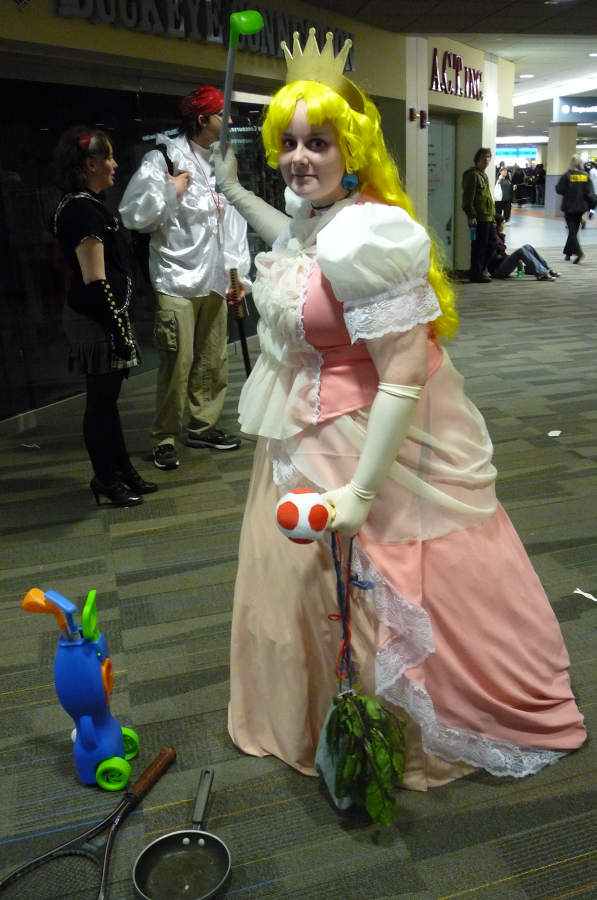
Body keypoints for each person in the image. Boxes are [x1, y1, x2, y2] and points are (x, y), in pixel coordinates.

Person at [212, 29, 586, 792]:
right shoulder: (315, 222)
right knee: (307, 589)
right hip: (298, 432)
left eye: (318, 142)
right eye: (288, 143)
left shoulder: (367, 233)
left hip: (364, 441)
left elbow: (404, 377)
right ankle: (315, 716)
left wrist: (359, 490)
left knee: (378, 592)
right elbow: (284, 236)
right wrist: (234, 190)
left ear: (352, 149)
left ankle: (411, 725)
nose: (298, 158)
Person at [119, 85, 251, 471]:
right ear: (201, 120)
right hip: (176, 278)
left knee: (213, 360)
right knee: (178, 362)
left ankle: (203, 426)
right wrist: (170, 189)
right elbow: (135, 215)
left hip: (214, 278)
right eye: (220, 114)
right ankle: (164, 435)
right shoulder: (162, 158)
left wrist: (236, 274)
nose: (228, 121)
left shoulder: (222, 161)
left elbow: (233, 221)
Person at [52, 127, 158, 507]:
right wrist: (118, 330)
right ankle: (107, 478)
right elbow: (95, 279)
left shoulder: (84, 203)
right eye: (108, 158)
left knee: (107, 401)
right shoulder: (80, 208)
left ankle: (121, 470)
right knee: (100, 403)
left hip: (99, 314)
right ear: (89, 164)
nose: (115, 165)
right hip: (95, 318)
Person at [461, 148, 497, 283]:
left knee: (492, 244)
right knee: (479, 247)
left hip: (488, 217)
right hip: (479, 218)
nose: (486, 159)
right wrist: (471, 215)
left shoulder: (484, 175)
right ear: (478, 158)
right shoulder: (472, 175)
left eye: (489, 157)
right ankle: (476, 273)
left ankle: (481, 270)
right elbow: (467, 198)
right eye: (484, 157)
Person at [489, 215, 561, 281]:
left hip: (501, 264)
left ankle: (547, 269)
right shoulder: (492, 239)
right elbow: (494, 257)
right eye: (503, 223)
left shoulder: (499, 236)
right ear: (497, 225)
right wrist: (511, 258)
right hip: (497, 270)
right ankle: (542, 274)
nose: (504, 226)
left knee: (527, 246)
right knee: (521, 251)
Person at [555, 154, 596, 264]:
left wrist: (568, 192)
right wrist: (592, 208)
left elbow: (559, 189)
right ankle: (568, 253)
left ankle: (579, 252)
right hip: (581, 207)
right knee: (574, 230)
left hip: (569, 206)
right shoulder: (585, 176)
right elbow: (590, 193)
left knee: (572, 230)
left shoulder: (567, 175)